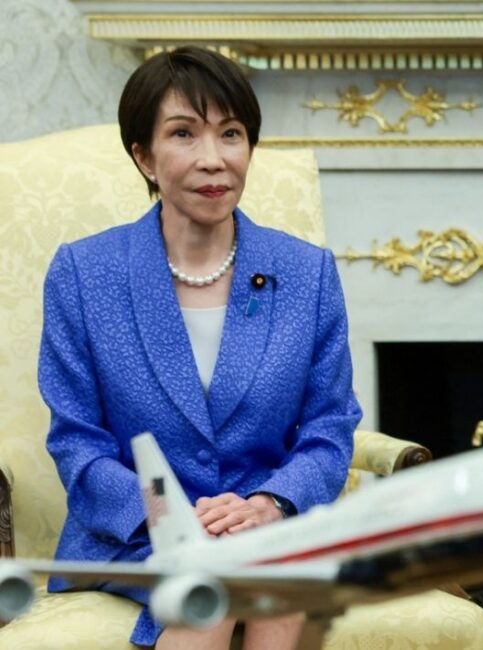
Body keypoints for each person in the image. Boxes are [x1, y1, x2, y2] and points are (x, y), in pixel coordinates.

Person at [34, 46, 362, 649]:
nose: (214, 159)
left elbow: (330, 428)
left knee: (271, 579)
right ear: (144, 157)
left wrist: (270, 502)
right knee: (215, 585)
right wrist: (173, 521)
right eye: (184, 134)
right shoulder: (85, 274)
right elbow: (77, 443)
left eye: (231, 134)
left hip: (268, 525)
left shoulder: (305, 273)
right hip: (136, 531)